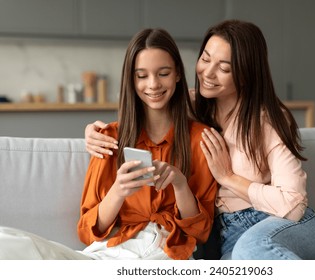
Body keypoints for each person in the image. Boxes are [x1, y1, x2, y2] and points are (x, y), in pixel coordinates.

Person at [84, 19, 315, 260]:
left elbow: (293, 206)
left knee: (251, 250)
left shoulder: (268, 119)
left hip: (279, 224)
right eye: (206, 59)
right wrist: (93, 132)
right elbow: (151, 102)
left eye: (224, 68)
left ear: (246, 73)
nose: (207, 74)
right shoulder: (191, 105)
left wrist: (228, 178)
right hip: (224, 235)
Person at [0, 28, 217, 260]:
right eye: (141, 76)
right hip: (109, 255)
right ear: (131, 80)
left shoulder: (201, 139)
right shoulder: (108, 137)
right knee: (8, 242)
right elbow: (88, 231)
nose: (153, 84)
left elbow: (200, 232)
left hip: (165, 254)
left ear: (177, 75)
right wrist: (119, 190)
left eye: (163, 73)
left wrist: (180, 184)